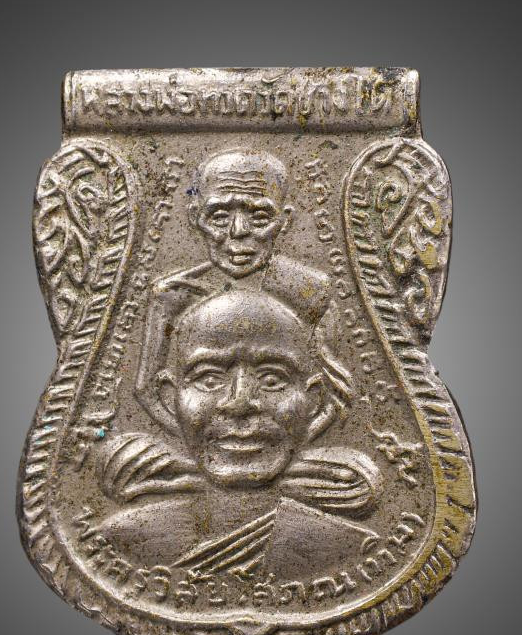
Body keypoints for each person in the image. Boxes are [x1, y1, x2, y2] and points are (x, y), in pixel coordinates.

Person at [96, 290, 381, 581]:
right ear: (171, 400)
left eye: (272, 379)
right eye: (209, 379)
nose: (239, 403)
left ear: (313, 401)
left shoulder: (353, 549)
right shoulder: (120, 540)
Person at [136, 149, 333, 430]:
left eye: (259, 217)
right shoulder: (172, 295)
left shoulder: (309, 291)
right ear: (195, 218)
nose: (238, 231)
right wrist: (204, 441)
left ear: (284, 221)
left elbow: (335, 397)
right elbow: (147, 392)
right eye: (219, 217)